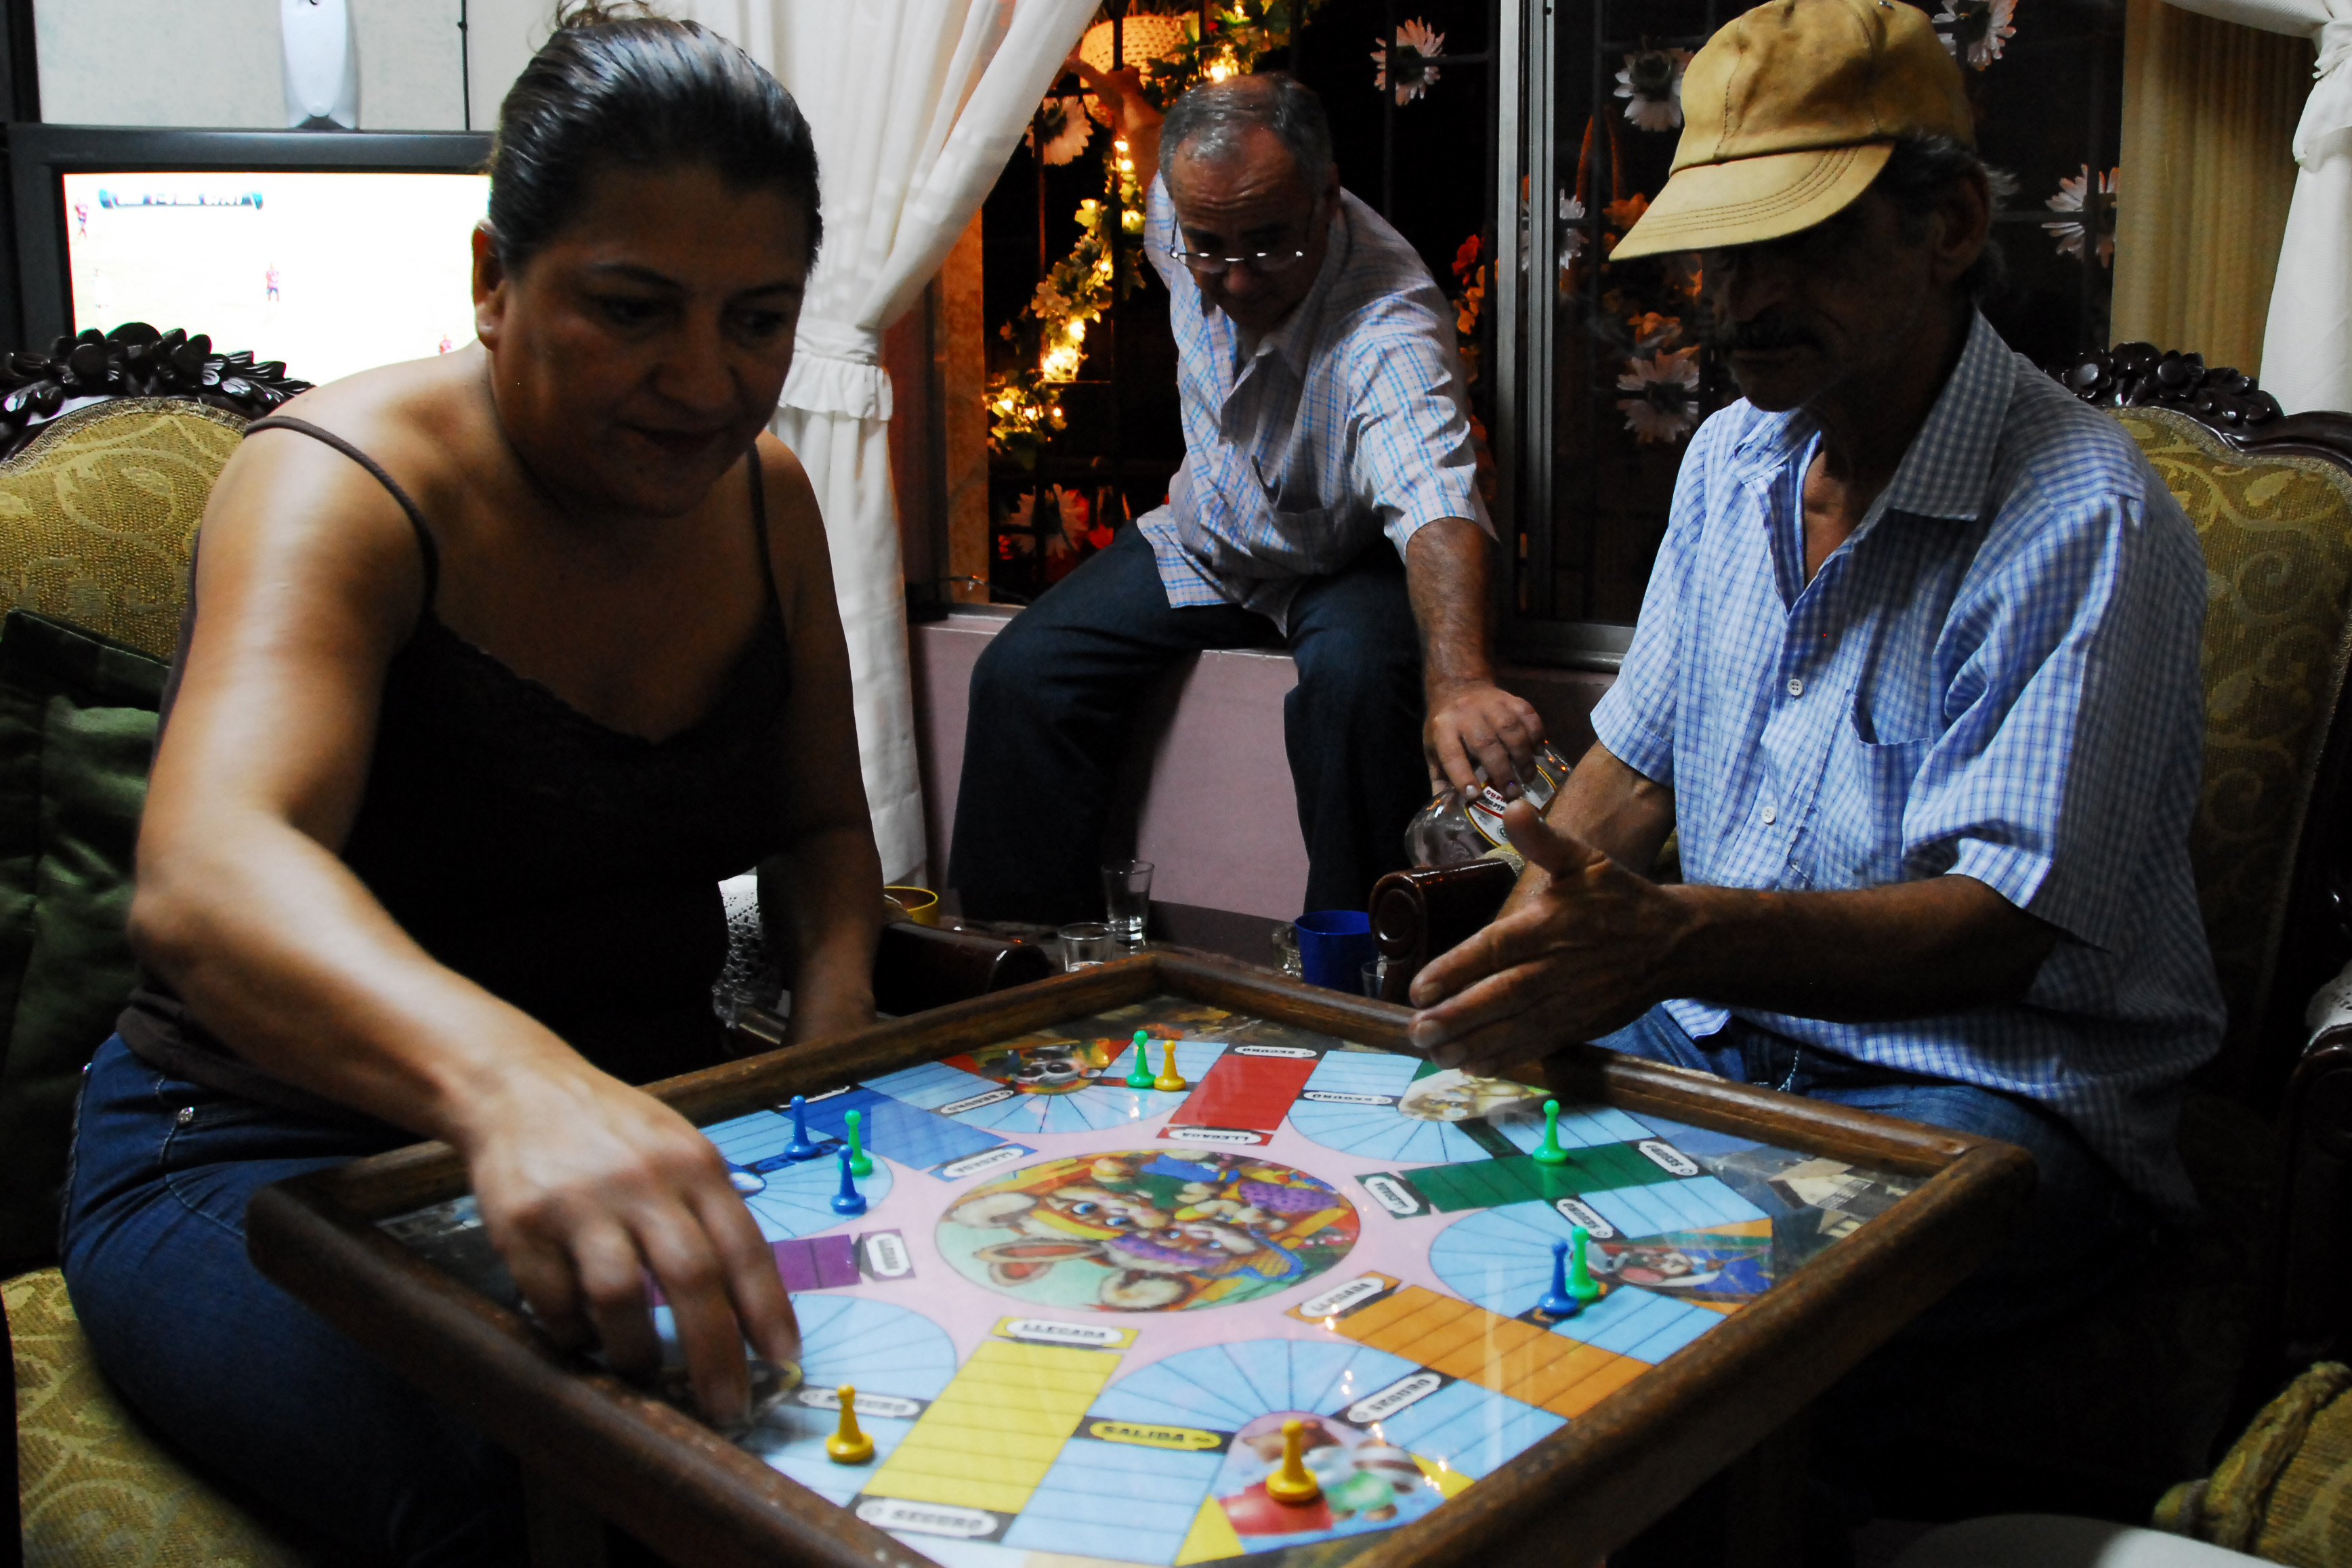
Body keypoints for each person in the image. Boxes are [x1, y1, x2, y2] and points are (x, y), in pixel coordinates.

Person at [59, 9, 879, 1564]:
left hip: (654, 1120)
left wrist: (825, 1051)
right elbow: (210, 865)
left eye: (758, 318)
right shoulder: (338, 482)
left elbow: (825, 825)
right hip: (258, 1154)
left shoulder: (765, 500)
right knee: (552, 1485)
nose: (707, 381)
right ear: (494, 278)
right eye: (634, 308)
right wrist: (517, 1086)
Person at [1406, 0, 2223, 1492]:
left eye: (1799, 243)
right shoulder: (1731, 460)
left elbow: (1990, 931)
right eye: (1722, 252)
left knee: (1658, 1302)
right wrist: (1523, 958)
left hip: (1989, 1084)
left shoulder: (2077, 516)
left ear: (1951, 225)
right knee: (1421, 1176)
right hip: (1726, 1032)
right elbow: (1631, 775)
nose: (1736, 297)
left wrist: (1657, 944)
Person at [949, 70, 1544, 923]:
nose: (1231, 279)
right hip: (1208, 538)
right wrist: (1132, 110)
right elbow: (1158, 148)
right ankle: (1016, 964)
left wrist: (1462, 681)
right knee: (1019, 674)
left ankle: (1357, 978)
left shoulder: (1389, 326)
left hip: (1342, 558)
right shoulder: (1181, 209)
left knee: (1359, 687)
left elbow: (1434, 497)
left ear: (1325, 200)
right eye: (1207, 246)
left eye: (1266, 243)